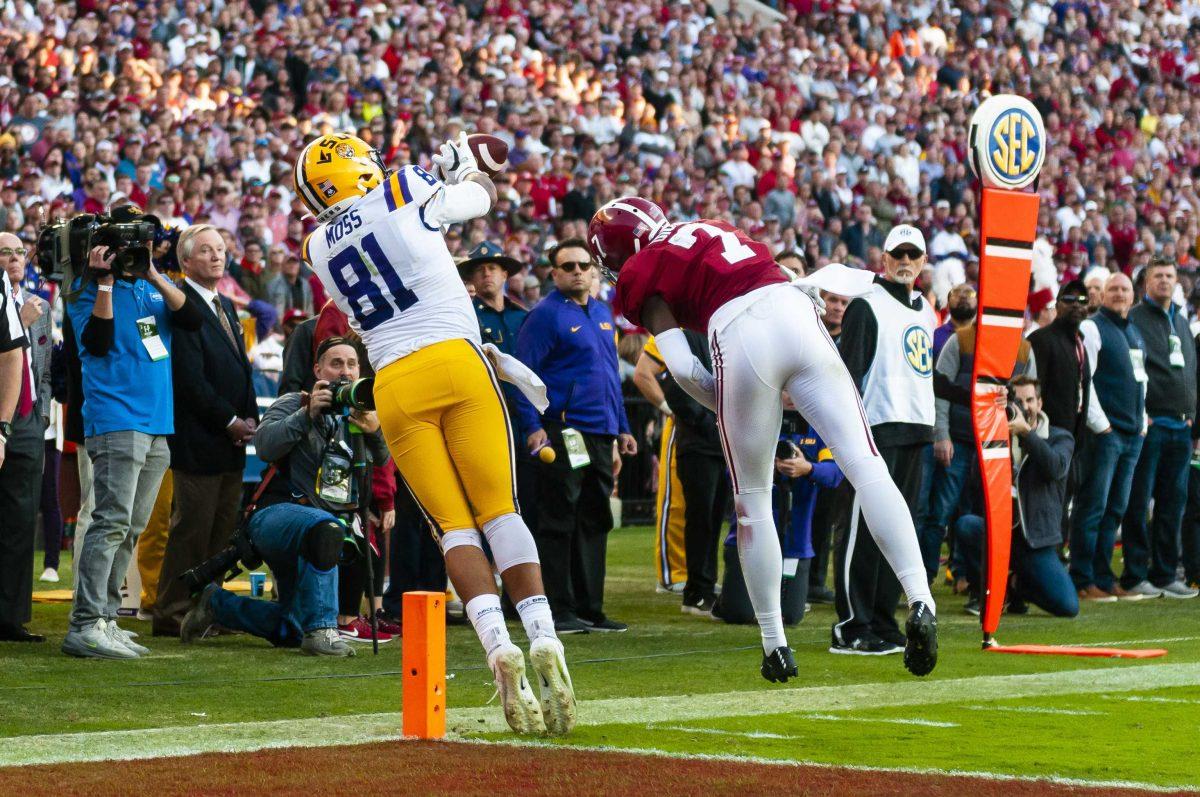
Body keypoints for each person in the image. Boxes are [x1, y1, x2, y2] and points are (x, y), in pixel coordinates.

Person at [296, 132, 575, 736]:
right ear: (363, 167)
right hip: (453, 357)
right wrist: (465, 168)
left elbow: (363, 227)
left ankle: (498, 649)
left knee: (453, 527)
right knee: (500, 512)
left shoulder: (316, 244)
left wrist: (438, 174)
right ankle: (544, 633)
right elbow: (480, 198)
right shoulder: (400, 187)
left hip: (393, 380)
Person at [589, 198, 936, 682]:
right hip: (793, 307)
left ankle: (775, 644)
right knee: (867, 465)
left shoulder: (644, 269)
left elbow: (686, 370)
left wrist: (733, 402)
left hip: (739, 330)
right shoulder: (709, 227)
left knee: (753, 501)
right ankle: (921, 598)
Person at [62, 233, 204, 659]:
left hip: (159, 421)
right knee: (110, 522)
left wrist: (153, 273)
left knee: (132, 527)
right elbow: (98, 341)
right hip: (117, 419)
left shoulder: (149, 287)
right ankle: (84, 624)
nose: (133, 253)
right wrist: (104, 280)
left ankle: (105, 617)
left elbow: (193, 319)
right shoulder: (82, 289)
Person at [516, 238, 637, 633]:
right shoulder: (545, 316)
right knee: (559, 517)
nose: (577, 272)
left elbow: (609, 376)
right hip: (564, 429)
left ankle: (591, 608)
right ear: (553, 273)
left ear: (594, 270)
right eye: (567, 266)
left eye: (584, 265)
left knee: (595, 518)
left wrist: (622, 428)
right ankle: (558, 608)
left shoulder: (603, 314)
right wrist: (533, 428)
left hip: (601, 431)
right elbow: (519, 378)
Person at [831, 224, 937, 657]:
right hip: (873, 429)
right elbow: (847, 375)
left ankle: (882, 618)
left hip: (915, 427)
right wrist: (848, 432)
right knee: (861, 528)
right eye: (899, 254)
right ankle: (850, 625)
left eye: (914, 255)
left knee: (899, 531)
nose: (906, 262)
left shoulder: (926, 308)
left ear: (924, 261)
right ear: (885, 258)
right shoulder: (865, 305)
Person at [153, 225, 259, 636]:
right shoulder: (182, 307)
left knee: (220, 533)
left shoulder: (226, 305)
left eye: (221, 248)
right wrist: (229, 420)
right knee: (191, 530)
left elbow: (240, 370)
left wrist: (247, 418)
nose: (218, 256)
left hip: (230, 439)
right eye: (207, 251)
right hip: (199, 437)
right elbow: (189, 379)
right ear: (185, 261)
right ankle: (172, 611)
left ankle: (207, 610)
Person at [953, 376, 1079, 618]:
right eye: (1019, 401)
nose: (1025, 406)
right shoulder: (1000, 437)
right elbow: (976, 481)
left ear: (1040, 403)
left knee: (1067, 606)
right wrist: (993, 430)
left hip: (1035, 539)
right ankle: (987, 593)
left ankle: (1014, 586)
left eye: (1030, 400)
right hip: (1001, 533)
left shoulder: (1060, 437)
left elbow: (1055, 468)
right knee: (967, 526)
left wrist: (1027, 434)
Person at [1121, 258, 1199, 599]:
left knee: (1173, 503)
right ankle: (1136, 573)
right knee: (1139, 502)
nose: (1165, 281)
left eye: (1170, 276)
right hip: (1150, 426)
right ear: (1145, 283)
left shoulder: (1181, 321)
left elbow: (1191, 371)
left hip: (1181, 427)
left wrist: (1192, 413)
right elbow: (1130, 371)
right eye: (1158, 276)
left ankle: (1166, 573)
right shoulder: (1134, 320)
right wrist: (1142, 413)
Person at [1070, 273, 1147, 601]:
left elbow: (1140, 379)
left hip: (1131, 435)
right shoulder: (1091, 327)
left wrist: (1142, 420)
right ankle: (1082, 578)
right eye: (1112, 289)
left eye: (1124, 289)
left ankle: (1103, 576)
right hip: (1105, 435)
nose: (1118, 294)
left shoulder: (1134, 331)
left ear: (1133, 296)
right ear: (1101, 295)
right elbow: (1083, 380)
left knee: (1115, 509)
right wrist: (1101, 425)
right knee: (1092, 506)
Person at [659, 330, 727, 616]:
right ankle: (697, 590)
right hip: (699, 443)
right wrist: (709, 421)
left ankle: (705, 584)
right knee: (701, 517)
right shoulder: (687, 335)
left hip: (719, 442)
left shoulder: (719, 334)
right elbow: (676, 387)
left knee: (713, 517)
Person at [0, 244, 38, 642]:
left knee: (22, 517)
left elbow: (39, 363)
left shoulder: (38, 304)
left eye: (19, 252)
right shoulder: (18, 309)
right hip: (1, 410)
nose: (13, 259)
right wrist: (20, 325)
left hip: (27, 415)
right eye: (4, 252)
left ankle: (11, 617)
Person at [632, 337, 688, 595]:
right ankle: (672, 573)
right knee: (675, 499)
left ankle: (700, 574)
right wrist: (669, 409)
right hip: (684, 422)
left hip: (716, 422)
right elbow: (643, 373)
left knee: (707, 506)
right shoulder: (673, 328)